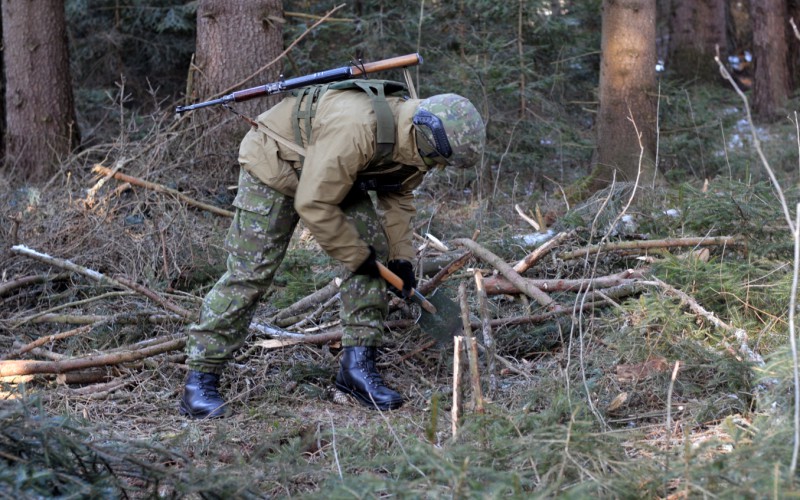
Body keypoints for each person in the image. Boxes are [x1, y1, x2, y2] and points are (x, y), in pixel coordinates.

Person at [179, 78, 485, 419]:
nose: (437, 167)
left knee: (375, 251)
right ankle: (200, 379)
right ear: (426, 133)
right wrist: (357, 258)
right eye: (439, 159)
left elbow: (397, 193)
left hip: (338, 173)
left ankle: (356, 369)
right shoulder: (358, 128)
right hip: (276, 162)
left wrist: (401, 258)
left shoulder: (417, 144)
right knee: (250, 273)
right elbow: (313, 203)